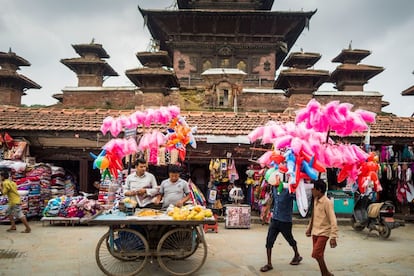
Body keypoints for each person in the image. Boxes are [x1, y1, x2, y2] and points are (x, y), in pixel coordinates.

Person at [260, 181, 302, 272]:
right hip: (275, 219)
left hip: (285, 221)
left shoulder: (289, 190)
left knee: (290, 239)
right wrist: (265, 213)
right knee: (269, 241)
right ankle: (269, 263)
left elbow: (298, 199)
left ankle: (297, 255)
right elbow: (272, 201)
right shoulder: (274, 188)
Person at [306, 179, 338, 276]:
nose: (312, 191)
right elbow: (313, 216)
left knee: (315, 254)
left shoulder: (327, 202)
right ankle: (325, 273)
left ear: (319, 190)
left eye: (314, 189)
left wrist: (333, 236)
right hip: (315, 231)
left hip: (324, 232)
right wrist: (309, 228)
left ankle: (326, 273)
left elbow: (333, 220)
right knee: (319, 255)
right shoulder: (315, 200)